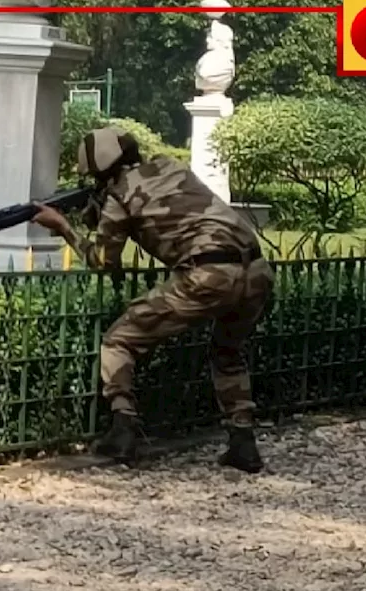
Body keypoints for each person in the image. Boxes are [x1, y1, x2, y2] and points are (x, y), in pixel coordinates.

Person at [30, 127, 273, 473]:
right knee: (227, 352)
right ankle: (243, 440)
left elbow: (103, 261)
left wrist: (65, 228)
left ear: (100, 170)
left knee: (119, 342)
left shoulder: (119, 197)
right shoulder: (170, 166)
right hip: (257, 270)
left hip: (207, 275)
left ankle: (123, 429)